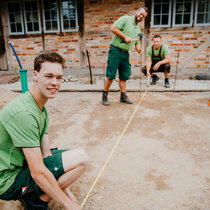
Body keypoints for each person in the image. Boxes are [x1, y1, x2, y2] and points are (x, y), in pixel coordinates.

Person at [0, 51, 90, 210]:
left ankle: (38, 198)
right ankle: (36, 203)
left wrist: (68, 194)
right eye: (49, 76)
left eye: (59, 77)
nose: (55, 82)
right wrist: (69, 205)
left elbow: (46, 154)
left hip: (22, 165)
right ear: (35, 75)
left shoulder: (41, 107)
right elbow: (38, 172)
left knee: (73, 159)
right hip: (7, 179)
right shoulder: (24, 113)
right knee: (80, 158)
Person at [102, 7, 148, 106]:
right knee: (110, 75)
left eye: (143, 16)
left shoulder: (138, 29)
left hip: (125, 53)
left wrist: (140, 49)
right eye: (140, 13)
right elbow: (113, 28)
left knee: (124, 76)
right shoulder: (125, 19)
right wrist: (125, 36)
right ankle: (105, 95)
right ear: (137, 11)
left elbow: (137, 43)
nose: (141, 16)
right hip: (115, 50)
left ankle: (123, 96)